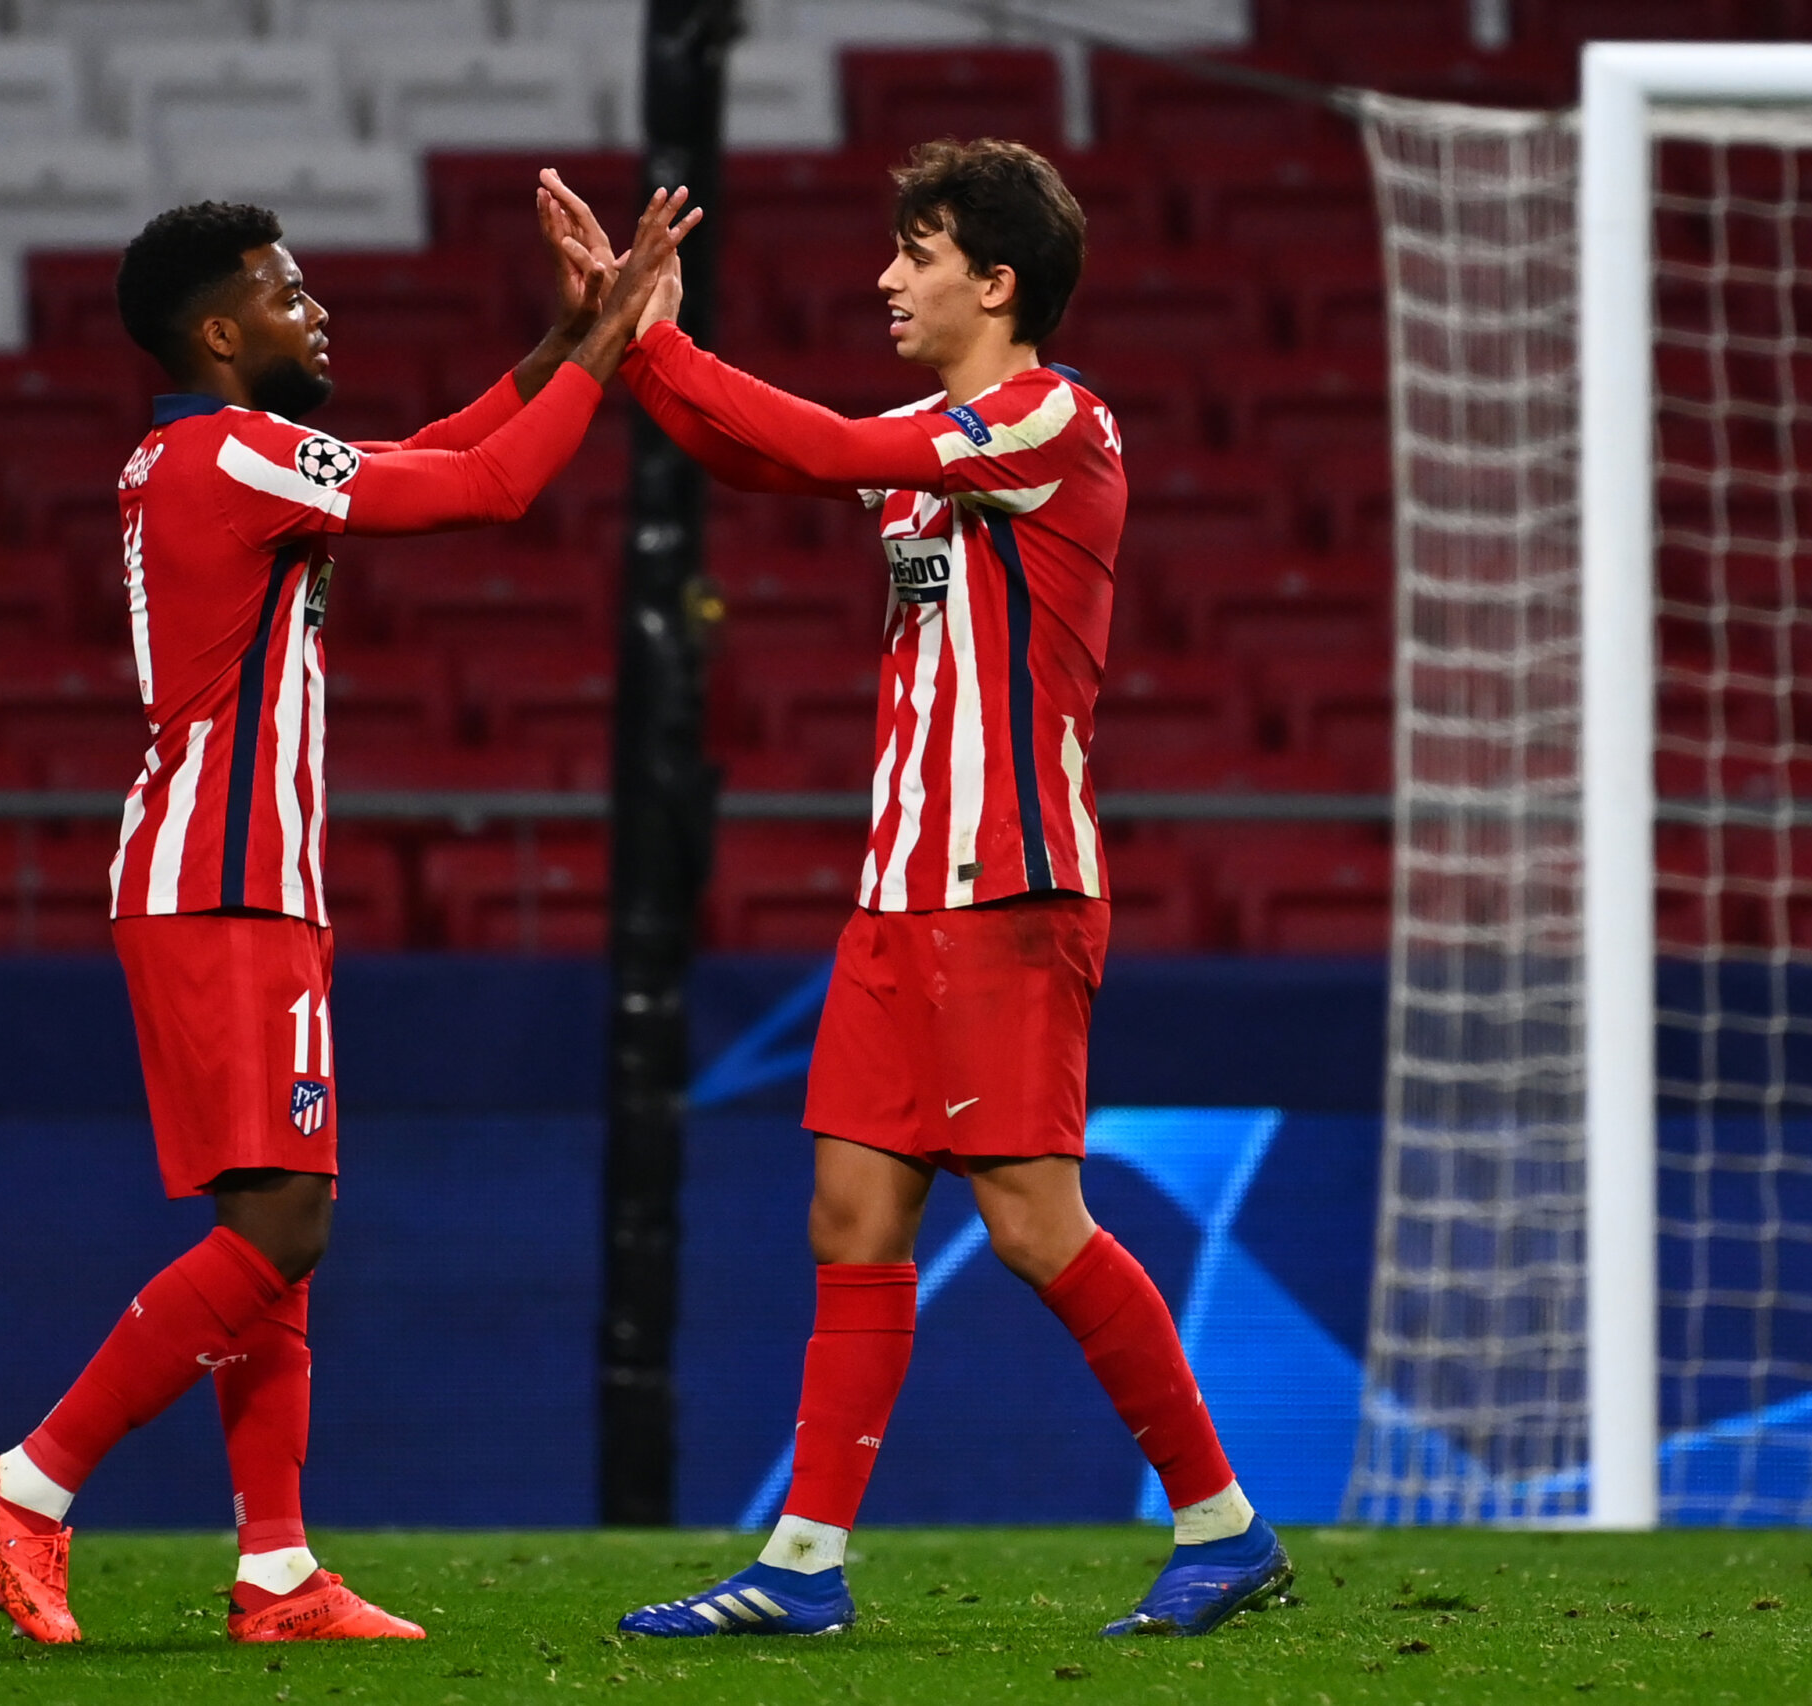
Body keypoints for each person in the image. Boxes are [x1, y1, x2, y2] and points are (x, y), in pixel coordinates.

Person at [542, 139, 1290, 1641]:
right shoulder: (942, 434)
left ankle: (1223, 1524)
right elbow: (768, 454)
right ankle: (805, 1564)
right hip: (900, 894)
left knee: (1031, 1222)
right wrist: (634, 344)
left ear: (996, 281)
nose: (887, 276)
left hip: (1008, 888)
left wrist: (650, 334)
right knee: (852, 1208)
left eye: (919, 251)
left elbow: (813, 448)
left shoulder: (1052, 422)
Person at [0, 184, 701, 1647]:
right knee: (288, 1220)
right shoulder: (230, 459)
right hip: (225, 889)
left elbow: (431, 450)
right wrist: (608, 347)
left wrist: (555, 343)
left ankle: (277, 1571)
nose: (318, 311)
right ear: (219, 331)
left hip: (227, 882)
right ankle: (29, 1483)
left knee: (272, 1224)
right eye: (288, 295)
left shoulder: (216, 456)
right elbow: (487, 488)